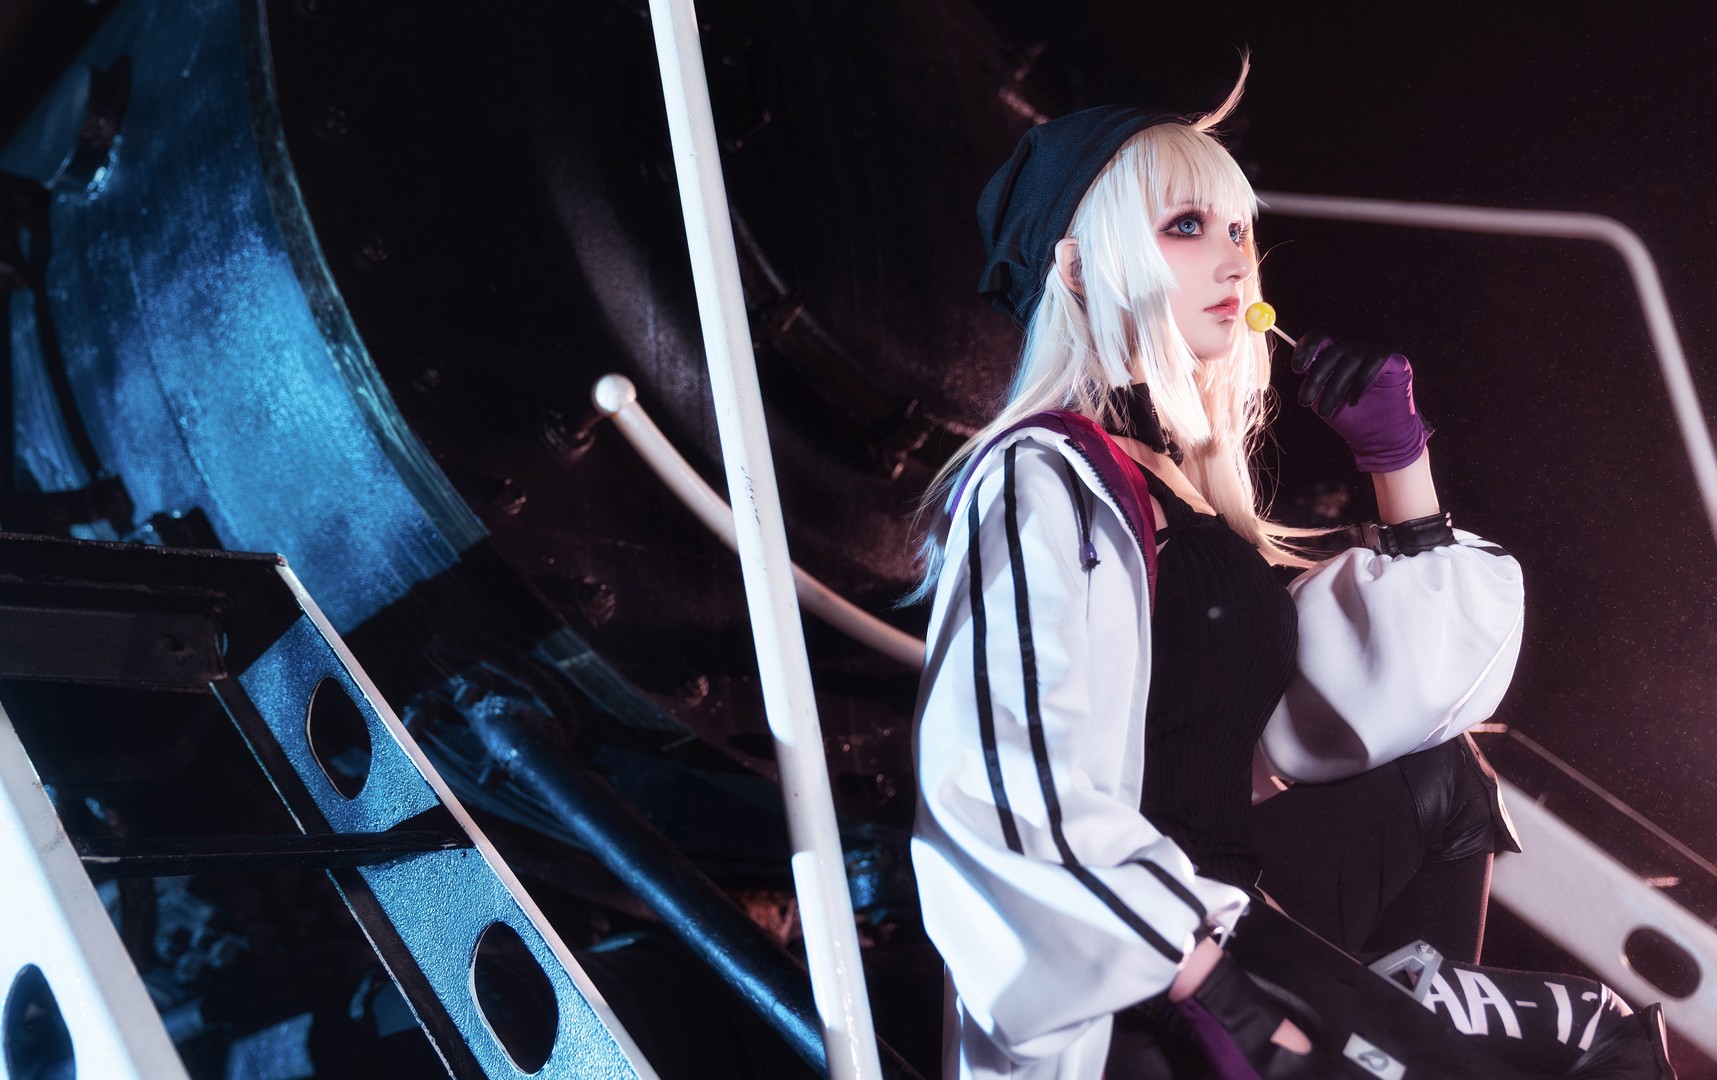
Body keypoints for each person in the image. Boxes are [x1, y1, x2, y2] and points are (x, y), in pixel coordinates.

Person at [905, 67, 1669, 1079]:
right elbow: (1002, 785)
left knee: (1453, 792)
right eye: (1187, 226)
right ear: (1080, 270)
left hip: (1237, 921)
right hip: (1149, 978)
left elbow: (1406, 704)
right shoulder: (1039, 474)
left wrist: (1399, 465)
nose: (1234, 256)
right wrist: (1214, 989)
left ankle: (1402, 1009)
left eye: (1237, 228)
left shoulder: (1172, 489)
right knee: (1576, 1044)